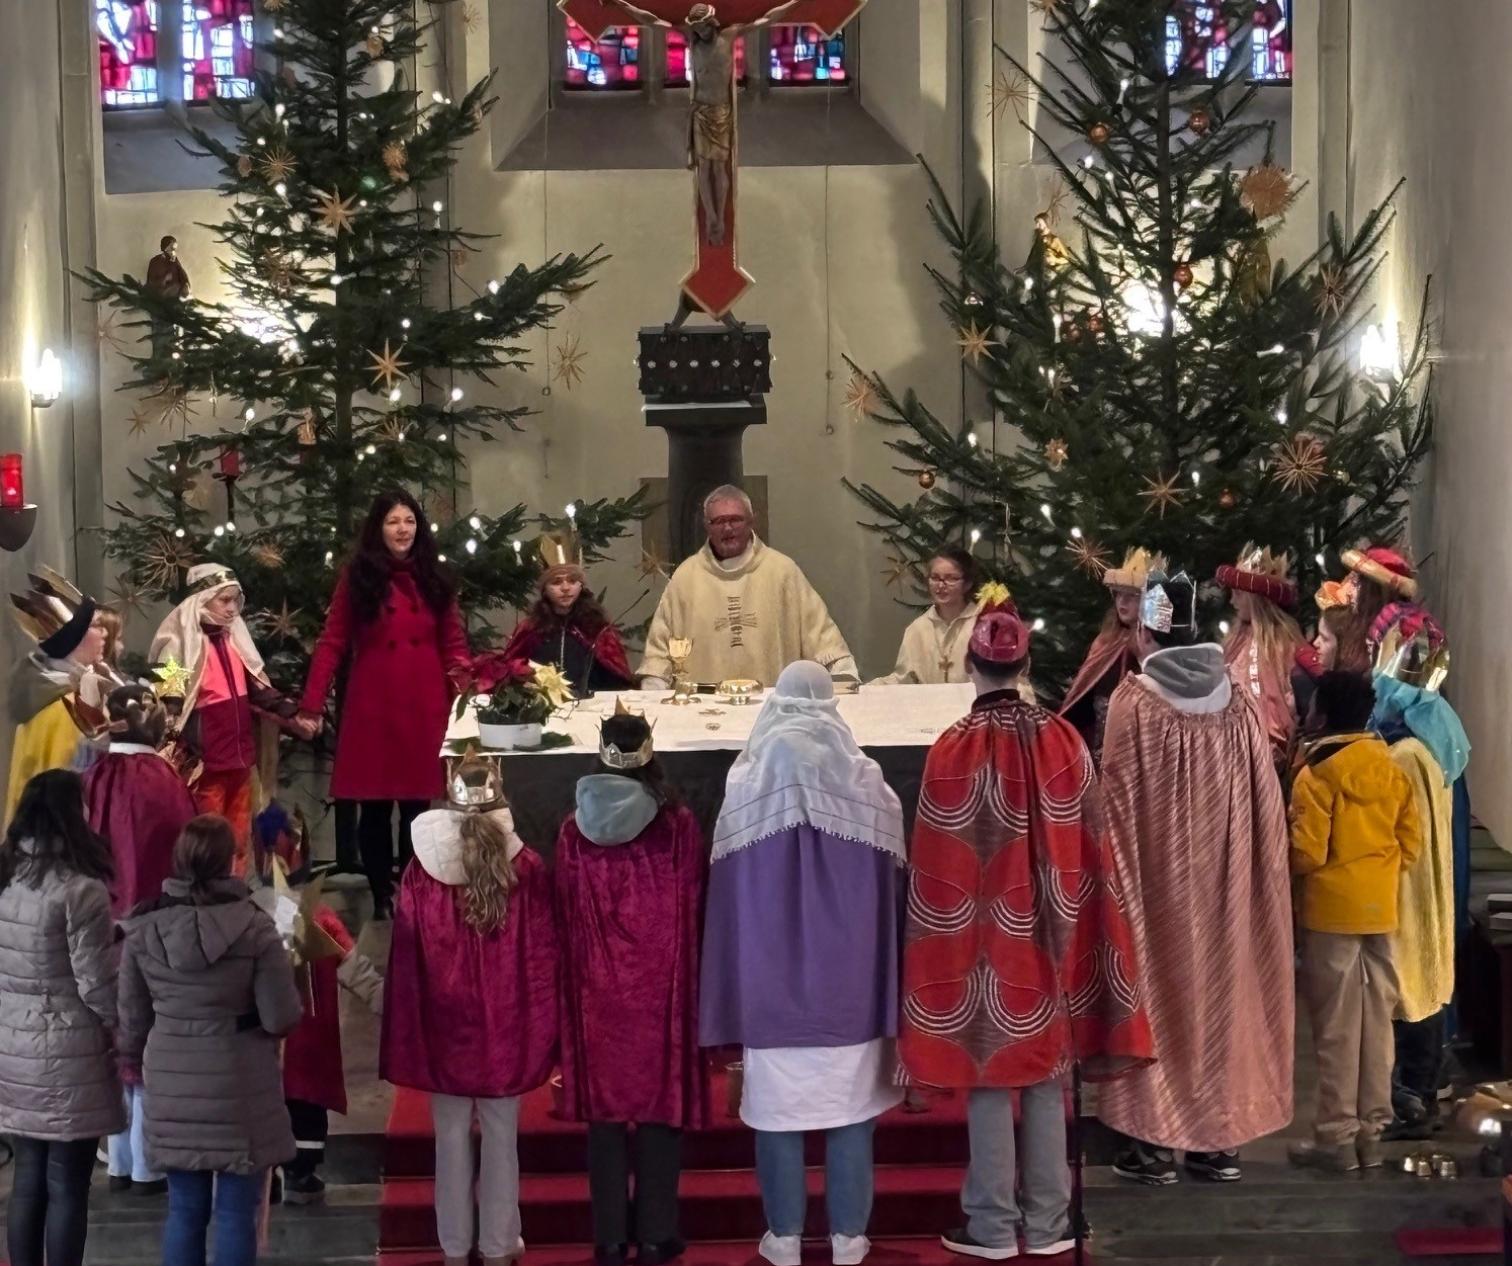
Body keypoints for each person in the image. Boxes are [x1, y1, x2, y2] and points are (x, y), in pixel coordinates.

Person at [900, 610, 1152, 1261]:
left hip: (984, 937)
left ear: (968, 666)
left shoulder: (950, 746)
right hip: (1059, 927)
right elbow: (1094, 839)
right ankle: (1046, 1223)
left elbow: (937, 866)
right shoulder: (1065, 740)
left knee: (990, 1073)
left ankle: (990, 1226)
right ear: (1028, 666)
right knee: (1046, 1070)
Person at [700, 662, 904, 1266]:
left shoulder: (746, 783)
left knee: (778, 1119)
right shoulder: (868, 783)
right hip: (848, 988)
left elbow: (727, 902)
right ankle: (848, 1238)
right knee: (850, 1117)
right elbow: (892, 892)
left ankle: (784, 1237)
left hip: (771, 988)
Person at [1096, 569, 1294, 1184]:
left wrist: (1114, 885)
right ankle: (1218, 1141)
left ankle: (1152, 1145)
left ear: (1151, 635)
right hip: (1228, 882)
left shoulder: (1135, 701)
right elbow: (1265, 801)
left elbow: (1116, 804)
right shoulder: (1237, 702)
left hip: (1158, 885)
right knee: (1224, 995)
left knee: (1160, 997)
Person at [381, 755, 558, 1266]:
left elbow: (408, 953)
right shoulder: (524, 866)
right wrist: (542, 1024)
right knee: (503, 1139)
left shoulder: (422, 868)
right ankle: (500, 1245)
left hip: (443, 1024)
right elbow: (542, 956)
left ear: (449, 801)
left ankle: (455, 1248)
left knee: (450, 1140)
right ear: (501, 799)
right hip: (505, 1025)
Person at [555, 707, 709, 1266]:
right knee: (656, 1109)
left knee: (605, 1117)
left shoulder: (574, 830)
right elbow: (692, 904)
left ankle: (609, 1238)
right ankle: (655, 1234)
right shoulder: (676, 825)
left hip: (597, 992)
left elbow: (566, 914)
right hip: (658, 990)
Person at [117, 814, 304, 1266]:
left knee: (183, 1210)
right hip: (240, 1082)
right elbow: (280, 1017)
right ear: (231, 863)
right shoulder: (256, 929)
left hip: (171, 1081)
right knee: (237, 1214)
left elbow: (131, 1022)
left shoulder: (144, 928)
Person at [300, 489, 472, 919]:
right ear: (379, 528)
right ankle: (381, 896)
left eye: (410, 521)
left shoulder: (436, 576)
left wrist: (466, 695)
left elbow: (453, 644)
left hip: (423, 701)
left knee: (418, 806)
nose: (402, 529)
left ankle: (413, 891)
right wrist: (311, 703)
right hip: (373, 704)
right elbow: (333, 641)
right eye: (394, 521)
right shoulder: (357, 576)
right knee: (373, 807)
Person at [1288, 670, 1420, 1172]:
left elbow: (1308, 853)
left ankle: (1335, 1137)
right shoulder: (1391, 766)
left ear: (1322, 711)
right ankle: (1372, 1134)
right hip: (1381, 910)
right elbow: (1410, 845)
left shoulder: (1316, 773)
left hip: (1331, 915)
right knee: (1377, 1023)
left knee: (1337, 1028)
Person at [0, 770, 125, 1266]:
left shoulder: (6, 872)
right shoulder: (80, 889)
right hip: (68, 1046)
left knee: (27, 1177)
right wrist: (127, 1023)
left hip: (13, 1043)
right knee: (69, 1184)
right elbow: (94, 983)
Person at [82, 683, 198, 1197]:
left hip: (100, 931)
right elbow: (182, 851)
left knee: (114, 1042)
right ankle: (149, 1164)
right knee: (149, 1046)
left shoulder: (88, 779)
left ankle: (118, 1163)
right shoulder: (165, 780)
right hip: (155, 930)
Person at [1370, 620, 1469, 1138]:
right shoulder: (1429, 744)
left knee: (1410, 983)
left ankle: (1414, 1096)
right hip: (1426, 882)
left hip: (1407, 884)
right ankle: (1417, 1091)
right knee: (1423, 978)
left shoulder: (1406, 755)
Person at [150, 563, 312, 873]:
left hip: (239, 761)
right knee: (209, 837)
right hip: (205, 764)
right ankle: (207, 896)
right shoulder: (178, 643)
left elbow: (260, 689)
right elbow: (170, 702)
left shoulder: (233, 642)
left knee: (238, 838)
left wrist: (297, 715)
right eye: (224, 600)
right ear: (202, 599)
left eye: (235, 601)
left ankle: (233, 897)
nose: (232, 609)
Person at [639, 486, 857, 688]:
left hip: (773, 711)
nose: (728, 528)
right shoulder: (686, 578)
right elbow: (659, 655)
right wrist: (653, 694)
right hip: (706, 712)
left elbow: (820, 634)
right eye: (719, 521)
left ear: (752, 521)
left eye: (736, 520)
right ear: (707, 526)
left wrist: (844, 674)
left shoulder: (781, 571)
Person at [7, 567, 121, 821]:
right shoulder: (62, 708)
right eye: (95, 625)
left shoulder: (56, 691)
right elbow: (66, 795)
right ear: (74, 639)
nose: (104, 633)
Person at [488, 530, 633, 696]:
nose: (565, 588)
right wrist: (530, 674)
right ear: (545, 589)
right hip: (542, 705)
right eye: (556, 582)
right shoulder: (531, 628)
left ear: (581, 585)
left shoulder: (597, 627)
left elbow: (616, 673)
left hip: (589, 706)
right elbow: (511, 664)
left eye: (572, 581)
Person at [1058, 547, 1161, 762]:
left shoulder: (1155, 644)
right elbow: (1082, 696)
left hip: (1138, 745)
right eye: (1119, 594)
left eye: (1132, 596)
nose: (1122, 602)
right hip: (1100, 742)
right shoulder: (1105, 640)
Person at [1216, 544, 1307, 762]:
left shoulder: (1281, 645)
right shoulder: (1236, 641)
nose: (1231, 601)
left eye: (1238, 593)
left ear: (1256, 599)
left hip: (1263, 756)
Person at [1336, 545, 1435, 670]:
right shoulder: (1373, 625)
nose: (1349, 592)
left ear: (1373, 590)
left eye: (1355, 583)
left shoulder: (1402, 623)